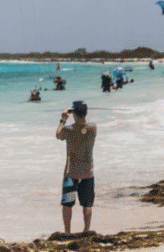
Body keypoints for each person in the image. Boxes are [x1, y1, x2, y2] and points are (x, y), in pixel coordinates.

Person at [56, 100, 96, 235]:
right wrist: (77, 113)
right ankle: (86, 230)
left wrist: (63, 119)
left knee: (67, 204)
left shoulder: (68, 130)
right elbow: (84, 125)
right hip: (87, 172)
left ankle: (67, 232)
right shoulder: (93, 128)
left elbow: (58, 135)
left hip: (71, 172)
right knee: (87, 204)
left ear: (74, 114)